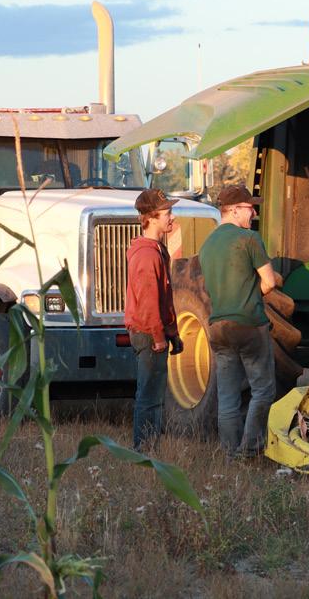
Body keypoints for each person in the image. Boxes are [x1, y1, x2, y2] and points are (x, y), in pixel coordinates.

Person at [199, 184, 279, 459]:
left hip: (217, 327)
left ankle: (230, 454)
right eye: (249, 208)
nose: (254, 213)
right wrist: (251, 294)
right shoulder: (249, 238)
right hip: (248, 323)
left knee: (228, 397)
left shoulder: (207, 245)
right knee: (263, 390)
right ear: (234, 210)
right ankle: (250, 449)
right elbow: (269, 282)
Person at [124, 189, 183, 450]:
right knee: (149, 397)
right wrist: (159, 337)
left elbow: (163, 298)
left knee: (155, 395)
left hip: (154, 332)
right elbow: (148, 302)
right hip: (148, 334)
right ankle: (144, 450)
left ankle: (150, 448)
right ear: (151, 218)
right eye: (167, 212)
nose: (172, 217)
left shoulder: (156, 250)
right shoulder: (147, 255)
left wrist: (173, 333)